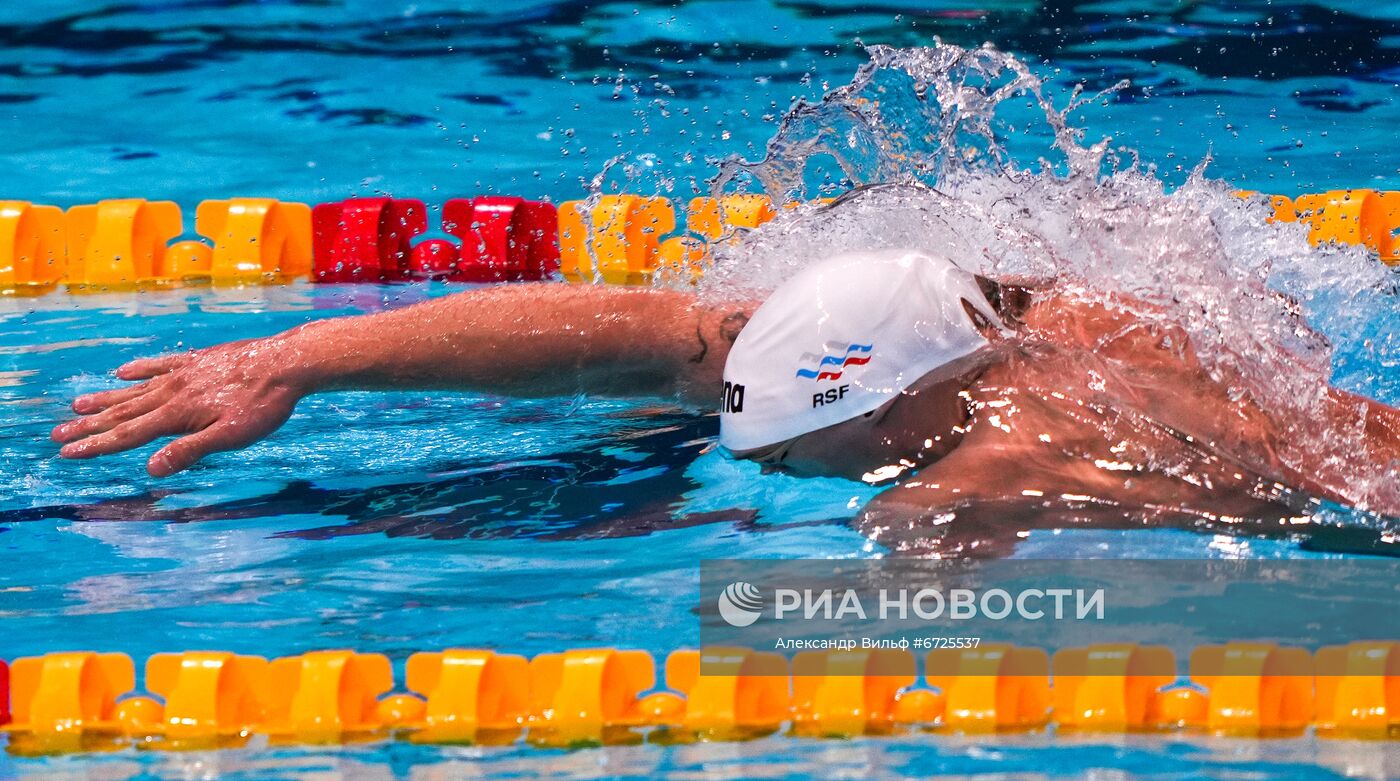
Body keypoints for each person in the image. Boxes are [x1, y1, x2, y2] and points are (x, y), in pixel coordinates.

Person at [51, 248, 1400, 555]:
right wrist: (289, 357)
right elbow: (668, 331)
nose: (792, 469)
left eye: (811, 453)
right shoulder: (1002, 304)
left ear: (898, 410)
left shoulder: (1002, 463)